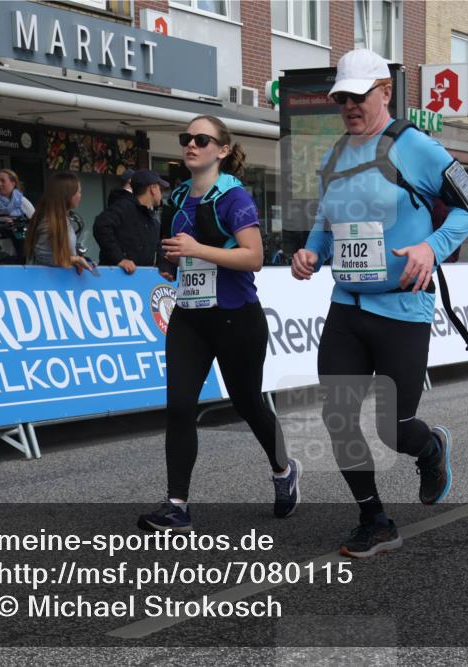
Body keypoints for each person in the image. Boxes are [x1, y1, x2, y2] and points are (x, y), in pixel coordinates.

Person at [290, 48, 468, 558]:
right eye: (342, 99)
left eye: (359, 96)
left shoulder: (416, 147)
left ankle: (430, 447)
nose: (350, 106)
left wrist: (431, 247)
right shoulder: (333, 155)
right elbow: (327, 221)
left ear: (385, 92)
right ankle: (374, 519)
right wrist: (311, 252)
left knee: (392, 428)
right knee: (337, 415)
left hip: (403, 308)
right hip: (348, 305)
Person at [137, 115, 296, 534]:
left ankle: (283, 469)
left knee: (249, 404)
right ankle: (177, 506)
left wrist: (197, 249)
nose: (191, 144)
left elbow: (253, 257)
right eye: (186, 138)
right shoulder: (177, 198)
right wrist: (171, 263)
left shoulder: (234, 196)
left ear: (222, 150)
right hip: (190, 316)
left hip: (235, 316)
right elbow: (175, 254)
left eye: (202, 139)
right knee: (179, 406)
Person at [93, 168, 168, 273]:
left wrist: (164, 270)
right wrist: (119, 259)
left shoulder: (152, 220)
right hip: (116, 277)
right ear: (153, 189)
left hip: (140, 279)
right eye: (160, 189)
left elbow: (157, 249)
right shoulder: (124, 207)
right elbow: (101, 225)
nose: (161, 194)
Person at [23, 172, 93, 273]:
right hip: (45, 280)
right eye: (78, 192)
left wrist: (76, 261)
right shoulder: (48, 220)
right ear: (67, 195)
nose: (80, 195)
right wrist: (75, 259)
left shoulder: (60, 219)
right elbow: (43, 257)